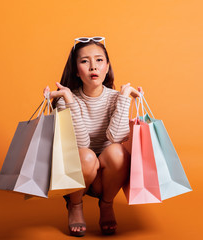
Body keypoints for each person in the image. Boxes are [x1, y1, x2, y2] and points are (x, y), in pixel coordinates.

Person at [43, 36, 141, 237]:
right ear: (76, 71)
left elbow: (116, 137)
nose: (93, 67)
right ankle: (75, 205)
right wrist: (69, 99)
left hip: (107, 178)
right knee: (86, 155)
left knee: (117, 152)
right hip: (76, 175)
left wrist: (123, 98)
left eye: (99, 60)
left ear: (107, 67)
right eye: (84, 61)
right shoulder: (66, 99)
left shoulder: (115, 98)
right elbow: (81, 144)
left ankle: (106, 205)